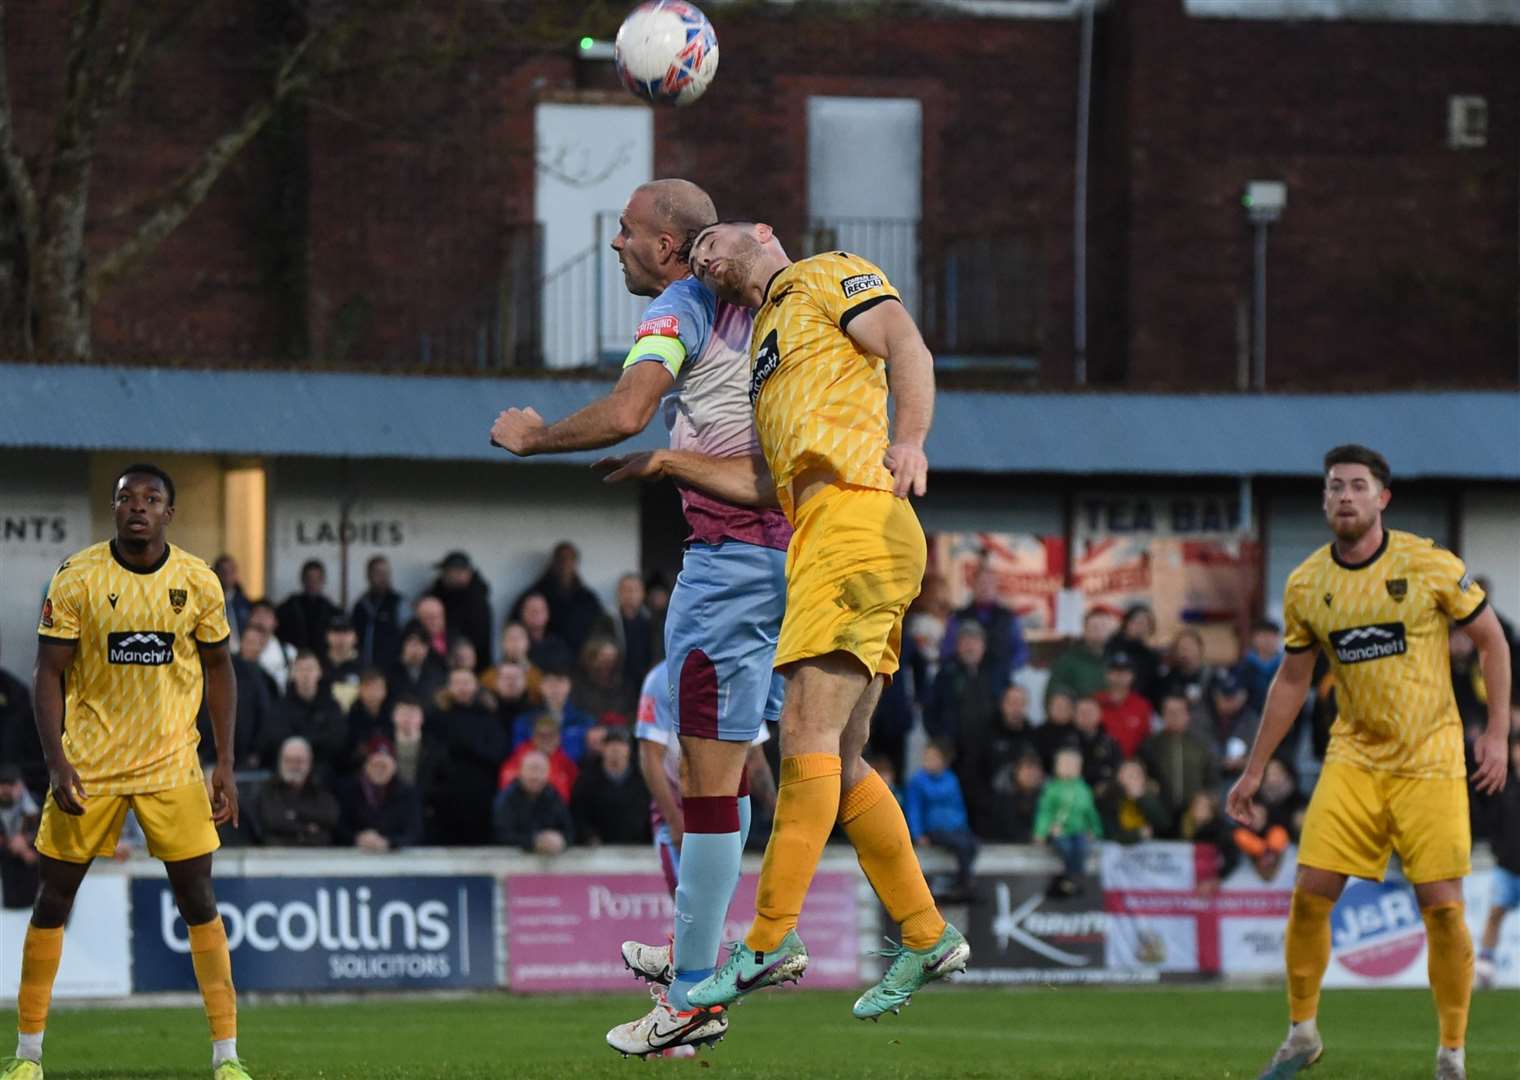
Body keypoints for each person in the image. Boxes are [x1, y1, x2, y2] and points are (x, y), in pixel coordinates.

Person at [489, 179, 795, 1053]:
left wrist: (536, 437)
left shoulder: (681, 302)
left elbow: (629, 411)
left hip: (731, 563)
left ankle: (698, 988)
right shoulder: (789, 302)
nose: (616, 245)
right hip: (800, 555)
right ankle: (717, 947)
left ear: (669, 248)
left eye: (626, 232)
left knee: (704, 779)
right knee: (738, 767)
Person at [662, 216, 967, 1017]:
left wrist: (912, 440)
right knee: (848, 755)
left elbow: (908, 346)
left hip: (858, 519)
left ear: (761, 233)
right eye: (694, 259)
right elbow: (770, 484)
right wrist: (669, 462)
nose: (703, 258)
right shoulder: (766, 350)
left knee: (802, 737)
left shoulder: (828, 272)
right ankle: (929, 934)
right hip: (829, 532)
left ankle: (764, 944)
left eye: (711, 242)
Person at [1226, 444, 1512, 1080]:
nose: (1345, 497)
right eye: (1334, 488)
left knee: (1442, 907)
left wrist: (1496, 735)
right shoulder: (1307, 583)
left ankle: (1452, 1054)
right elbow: (1292, 682)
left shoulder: (1429, 562)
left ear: (1382, 499)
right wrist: (1253, 769)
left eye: (1357, 486)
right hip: (1353, 757)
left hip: (1431, 756)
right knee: (1308, 896)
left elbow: (1492, 640)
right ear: (1325, 501)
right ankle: (1301, 1033)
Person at [4, 464, 252, 1079]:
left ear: (169, 512)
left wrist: (223, 762)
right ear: (113, 510)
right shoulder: (77, 577)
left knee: (199, 899)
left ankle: (227, 1058)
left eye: (151, 499)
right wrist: (56, 762)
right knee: (52, 899)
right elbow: (47, 673)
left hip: (173, 766)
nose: (137, 507)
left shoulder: (198, 581)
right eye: (125, 499)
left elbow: (221, 670)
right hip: (89, 767)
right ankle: (27, 1057)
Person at [630, 658, 775, 897]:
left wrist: (777, 814)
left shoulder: (744, 679)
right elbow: (650, 757)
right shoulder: (661, 680)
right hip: (681, 805)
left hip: (726, 805)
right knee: (689, 898)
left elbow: (755, 761)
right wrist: (674, 819)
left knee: (717, 901)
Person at [259, 651, 348, 787]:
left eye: (310, 669)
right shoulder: (280, 706)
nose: (306, 674)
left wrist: (305, 743)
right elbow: (275, 737)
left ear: (319, 672)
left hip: (324, 775)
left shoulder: (332, 706)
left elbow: (337, 739)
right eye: (301, 669)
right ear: (293, 673)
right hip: (286, 774)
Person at [905, 741, 978, 901]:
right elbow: (914, 809)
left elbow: (958, 806)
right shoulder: (917, 782)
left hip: (955, 827)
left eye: (933, 758)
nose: (928, 761)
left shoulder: (951, 779)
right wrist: (918, 834)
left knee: (972, 843)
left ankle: (962, 880)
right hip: (934, 828)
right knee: (962, 845)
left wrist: (963, 826)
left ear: (944, 761)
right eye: (927, 757)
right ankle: (964, 883)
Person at [1475, 735, 1520, 989]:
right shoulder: (1505, 787)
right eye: (1517, 750)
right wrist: (1497, 850)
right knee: (1495, 914)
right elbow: (1491, 821)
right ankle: (1485, 966)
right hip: (1507, 866)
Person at [508, 544, 607, 658]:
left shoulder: (588, 599)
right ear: (553, 562)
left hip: (580, 663)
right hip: (540, 661)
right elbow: (514, 629)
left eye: (570, 559)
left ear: (575, 563)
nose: (565, 564)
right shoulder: (534, 596)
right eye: (561, 559)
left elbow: (600, 630)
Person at [940, 564, 1029, 688]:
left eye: (989, 583)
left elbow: (1021, 652)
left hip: (999, 686)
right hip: (964, 686)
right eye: (981, 583)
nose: (985, 587)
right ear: (973, 586)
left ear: (996, 587)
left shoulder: (1008, 618)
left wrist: (1005, 669)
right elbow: (946, 652)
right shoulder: (958, 617)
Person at [1034, 747, 1103, 897]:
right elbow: (1045, 812)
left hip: (1079, 830)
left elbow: (1090, 812)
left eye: (1072, 765)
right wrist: (1041, 832)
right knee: (1065, 847)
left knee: (1082, 848)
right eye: (1064, 764)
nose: (1068, 768)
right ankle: (1066, 879)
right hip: (1059, 830)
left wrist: (1095, 829)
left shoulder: (1083, 789)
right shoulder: (1052, 788)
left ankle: (1071, 879)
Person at [336, 738, 422, 852]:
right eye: (375, 765)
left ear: (394, 767)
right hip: (354, 857)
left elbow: (414, 831)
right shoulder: (347, 789)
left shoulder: (407, 793)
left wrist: (388, 842)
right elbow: (339, 825)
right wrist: (358, 838)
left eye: (384, 766)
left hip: (395, 859)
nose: (380, 770)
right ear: (366, 765)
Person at [1140, 694, 1218, 821]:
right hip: (1160, 813)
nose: (1174, 716)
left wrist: (1207, 798)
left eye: (1179, 711)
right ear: (1162, 715)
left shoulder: (1201, 744)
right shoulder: (1150, 745)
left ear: (1187, 715)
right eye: (1169, 712)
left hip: (1194, 813)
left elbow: (1212, 778)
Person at [254, 736, 340, 847]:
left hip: (315, 853)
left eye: (299, 761)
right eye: (289, 761)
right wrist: (307, 827)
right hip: (278, 854)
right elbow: (272, 820)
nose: (294, 766)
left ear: (309, 762)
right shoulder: (269, 789)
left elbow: (330, 817)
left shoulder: (319, 789)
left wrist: (293, 815)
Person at [570, 727, 650, 845]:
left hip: (638, 848)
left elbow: (651, 813)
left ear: (629, 749)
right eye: (610, 744)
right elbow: (577, 815)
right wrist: (588, 836)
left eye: (621, 744)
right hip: (596, 850)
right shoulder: (586, 780)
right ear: (602, 749)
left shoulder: (644, 779)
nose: (615, 748)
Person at [492, 750, 574, 854]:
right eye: (531, 769)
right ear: (520, 772)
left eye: (541, 771)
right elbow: (501, 835)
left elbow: (569, 832)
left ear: (548, 774)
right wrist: (534, 841)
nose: (535, 776)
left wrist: (561, 840)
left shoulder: (554, 797)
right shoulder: (506, 798)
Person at [427, 551, 493, 667]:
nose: (444, 576)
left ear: (463, 573)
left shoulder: (476, 599)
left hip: (473, 663)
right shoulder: (439, 593)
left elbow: (477, 638)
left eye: (448, 572)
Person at [498, 715, 579, 805]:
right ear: (533, 737)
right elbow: (507, 788)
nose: (547, 740)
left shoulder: (564, 759)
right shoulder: (521, 758)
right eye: (542, 736)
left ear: (559, 738)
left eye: (551, 735)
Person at [1046, 609, 1117, 704]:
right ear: (1085, 630)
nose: (1099, 631)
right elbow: (1053, 695)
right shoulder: (1068, 660)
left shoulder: (1118, 659)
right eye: (1094, 627)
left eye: (1103, 626)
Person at [351, 555, 406, 671]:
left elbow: (408, 636)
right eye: (378, 573)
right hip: (364, 669)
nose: (383, 577)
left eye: (386, 573)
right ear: (368, 575)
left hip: (391, 669)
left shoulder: (398, 602)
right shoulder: (360, 605)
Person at [1095, 652, 1153, 760]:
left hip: (1130, 767)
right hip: (1099, 765)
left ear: (1132, 676)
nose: (1119, 676)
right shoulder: (1095, 702)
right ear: (1107, 674)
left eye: (1124, 671)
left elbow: (1147, 740)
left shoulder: (1142, 705)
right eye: (1115, 671)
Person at [1099, 759, 1171, 844]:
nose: (1134, 779)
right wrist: (1138, 834)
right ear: (1119, 778)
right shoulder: (1109, 800)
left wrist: (1144, 799)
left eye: (1138, 775)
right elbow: (1110, 834)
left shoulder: (1152, 796)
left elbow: (1165, 826)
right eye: (1130, 775)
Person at [275, 559, 339, 654]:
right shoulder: (288, 607)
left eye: (317, 578)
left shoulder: (331, 610)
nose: (313, 582)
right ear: (303, 579)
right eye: (309, 578)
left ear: (323, 580)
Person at [610, 573, 657, 700]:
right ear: (619, 593)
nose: (630, 594)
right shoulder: (608, 621)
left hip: (646, 684)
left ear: (643, 594)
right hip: (616, 683)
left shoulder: (652, 623)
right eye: (626, 590)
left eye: (635, 590)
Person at [0, 764, 40, 911]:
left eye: (11, 785)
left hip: (32, 874)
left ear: (20, 786)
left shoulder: (36, 805)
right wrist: (16, 846)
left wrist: (26, 844)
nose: (6, 791)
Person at [1106, 604, 1162, 704]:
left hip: (1140, 706)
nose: (1140, 627)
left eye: (1146, 624)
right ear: (1126, 623)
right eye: (1137, 622)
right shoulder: (1109, 647)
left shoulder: (1151, 656)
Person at [387, 626, 446, 705]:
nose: (416, 650)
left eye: (421, 644)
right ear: (403, 646)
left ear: (427, 649)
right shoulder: (390, 671)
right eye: (412, 644)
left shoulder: (436, 673)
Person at [211, 555, 253, 647]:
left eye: (231, 571)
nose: (227, 575)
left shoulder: (246, 604)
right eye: (223, 571)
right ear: (215, 573)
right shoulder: (209, 602)